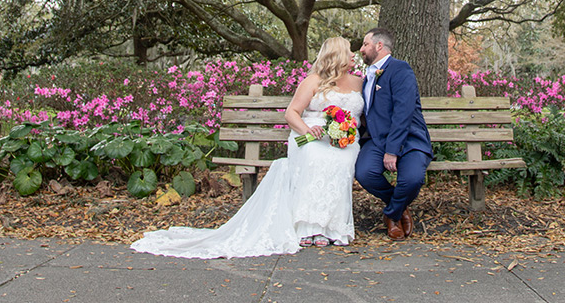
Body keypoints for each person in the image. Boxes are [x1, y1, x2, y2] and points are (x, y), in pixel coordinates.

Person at [130, 37, 363, 258]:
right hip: (309, 136)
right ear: (337, 55)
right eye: (349, 50)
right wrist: (306, 130)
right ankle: (309, 227)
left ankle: (333, 227)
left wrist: (345, 132)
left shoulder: (358, 82)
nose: (353, 54)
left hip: (343, 139)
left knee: (341, 161)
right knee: (314, 157)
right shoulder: (313, 81)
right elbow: (291, 113)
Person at [354, 26, 432, 240]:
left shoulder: (400, 69)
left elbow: (403, 112)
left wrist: (392, 150)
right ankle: (399, 207)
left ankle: (391, 215)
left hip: (409, 139)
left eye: (365, 44)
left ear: (379, 46)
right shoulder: (368, 76)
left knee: (412, 180)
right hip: (377, 140)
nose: (361, 49)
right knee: (364, 173)